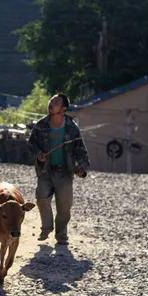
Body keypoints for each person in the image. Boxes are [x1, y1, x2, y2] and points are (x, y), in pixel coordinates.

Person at [26, 93, 89, 245]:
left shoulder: (72, 128)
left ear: (63, 108)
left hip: (65, 172)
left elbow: (81, 150)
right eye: (51, 101)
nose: (51, 103)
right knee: (42, 197)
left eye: (56, 102)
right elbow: (31, 144)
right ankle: (46, 227)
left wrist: (81, 168)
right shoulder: (41, 125)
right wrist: (38, 155)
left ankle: (61, 235)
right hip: (45, 171)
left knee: (64, 206)